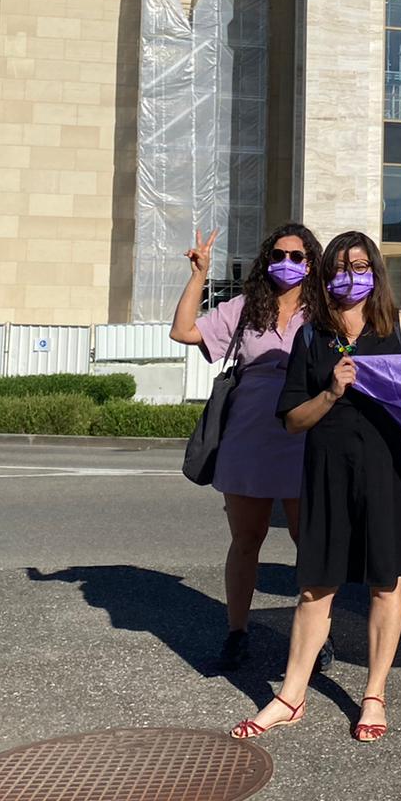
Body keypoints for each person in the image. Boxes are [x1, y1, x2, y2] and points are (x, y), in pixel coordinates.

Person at [231, 231, 401, 743]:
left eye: (359, 266)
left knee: (385, 582)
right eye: (338, 268)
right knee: (314, 585)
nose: (348, 277)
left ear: (375, 270)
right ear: (324, 276)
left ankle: (374, 692)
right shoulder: (312, 334)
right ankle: (290, 695)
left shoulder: (398, 327)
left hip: (387, 472)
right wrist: (331, 391)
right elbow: (292, 420)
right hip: (326, 472)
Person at [169, 223, 328, 674]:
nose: (288, 263)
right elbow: (182, 332)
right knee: (246, 541)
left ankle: (318, 634)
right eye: (279, 254)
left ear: (312, 263)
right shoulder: (244, 308)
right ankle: (237, 632)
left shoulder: (324, 311)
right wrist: (200, 274)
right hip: (249, 436)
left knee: (309, 543)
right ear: (266, 259)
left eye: (298, 257)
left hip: (305, 435)